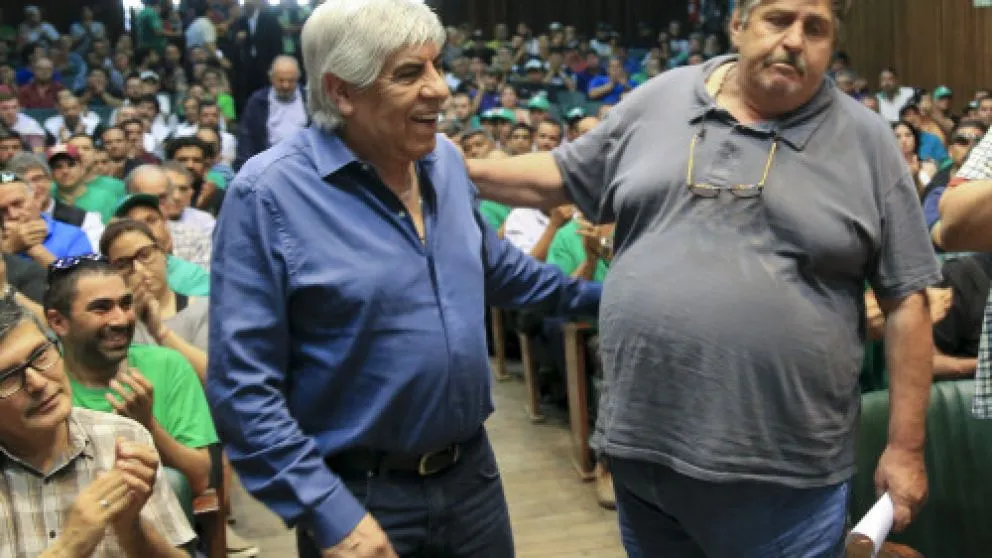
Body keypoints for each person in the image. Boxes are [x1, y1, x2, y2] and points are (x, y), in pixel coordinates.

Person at [467, 0, 940, 555]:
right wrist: (457, 169)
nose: (794, 40)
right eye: (778, 19)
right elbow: (560, 174)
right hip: (645, 456)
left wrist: (905, 449)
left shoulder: (868, 142)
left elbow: (908, 303)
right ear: (738, 24)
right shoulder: (660, 98)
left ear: (831, 46)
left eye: (815, 29)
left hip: (782, 478)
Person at [205, 1, 601, 557]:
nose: (439, 89)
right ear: (341, 91)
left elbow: (500, 271)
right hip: (359, 498)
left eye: (437, 65)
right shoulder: (268, 195)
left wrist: (613, 301)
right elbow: (242, 389)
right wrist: (329, 514)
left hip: (473, 482)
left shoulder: (444, 162)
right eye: (410, 73)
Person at [0, 291, 196, 557]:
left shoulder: (122, 438)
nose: (38, 383)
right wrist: (68, 548)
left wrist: (132, 530)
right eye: (8, 377)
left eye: (40, 355)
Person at [234, 55, 308, 170]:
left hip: (304, 165)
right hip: (267, 166)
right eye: (281, 80)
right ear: (271, 78)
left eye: (291, 80)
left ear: (298, 78)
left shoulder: (309, 100)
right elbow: (246, 138)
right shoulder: (257, 102)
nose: (286, 85)